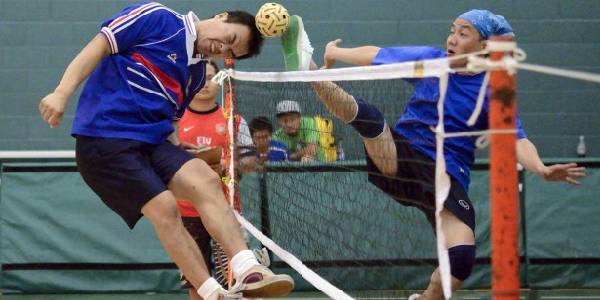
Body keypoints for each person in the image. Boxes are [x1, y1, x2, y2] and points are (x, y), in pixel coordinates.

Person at [282, 10, 586, 300]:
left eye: (463, 33)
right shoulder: (432, 61)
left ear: (484, 45)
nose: (452, 38)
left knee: (461, 260)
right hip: (405, 157)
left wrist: (541, 168)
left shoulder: (493, 91)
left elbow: (516, 140)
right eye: (452, 30)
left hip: (447, 178)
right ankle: (307, 67)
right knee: (371, 119)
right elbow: (378, 55)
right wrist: (335, 55)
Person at [38, 2, 293, 299]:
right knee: (165, 208)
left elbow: (171, 120)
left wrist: (178, 155)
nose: (222, 48)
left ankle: (248, 269)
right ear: (221, 17)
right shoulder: (158, 18)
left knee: (206, 181)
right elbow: (98, 46)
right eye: (230, 38)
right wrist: (61, 92)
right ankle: (212, 292)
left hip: (153, 144)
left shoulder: (196, 73)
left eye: (229, 53)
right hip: (105, 140)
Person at [177, 60, 258, 299]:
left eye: (211, 77)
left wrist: (229, 164)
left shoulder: (233, 118)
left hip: (226, 208)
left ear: (219, 81)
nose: (205, 84)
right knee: (197, 280)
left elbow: (251, 160)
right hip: (185, 212)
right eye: (199, 78)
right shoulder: (174, 119)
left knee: (236, 277)